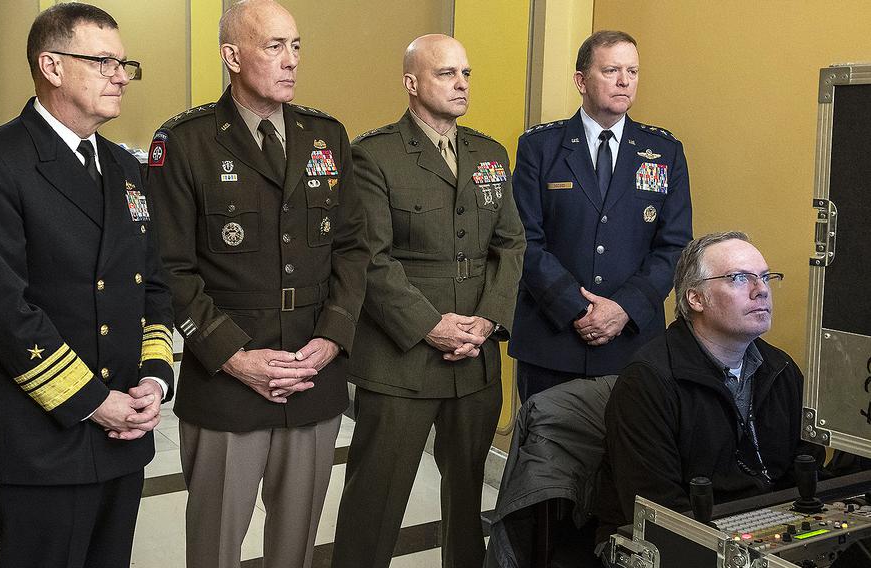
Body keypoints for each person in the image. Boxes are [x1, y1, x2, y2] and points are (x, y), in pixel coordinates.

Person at [143, 1, 368, 567]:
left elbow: (352, 249)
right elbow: (170, 268)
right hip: (226, 383)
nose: (290, 60)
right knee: (216, 547)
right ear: (231, 56)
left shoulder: (326, 135)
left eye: (296, 46)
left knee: (294, 548)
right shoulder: (186, 142)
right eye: (274, 46)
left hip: (312, 375)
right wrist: (235, 357)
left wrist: (332, 338)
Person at [0, 3, 174, 567]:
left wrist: (153, 380)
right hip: (45, 443)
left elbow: (150, 284)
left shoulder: (126, 168)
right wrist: (93, 401)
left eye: (125, 63)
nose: (121, 75)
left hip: (126, 431)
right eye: (103, 61)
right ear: (51, 66)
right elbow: (3, 307)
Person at [331, 34, 526, 568]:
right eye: (446, 73)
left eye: (466, 73)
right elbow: (370, 257)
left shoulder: (488, 153)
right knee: (376, 500)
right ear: (411, 83)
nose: (461, 83)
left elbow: (510, 243)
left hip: (476, 360)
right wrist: (431, 326)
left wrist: (487, 321)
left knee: (467, 503)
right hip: (402, 359)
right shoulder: (374, 155)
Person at [596, 231, 823, 543]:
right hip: (683, 543)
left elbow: (807, 469)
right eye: (740, 278)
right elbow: (655, 510)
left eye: (766, 277)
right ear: (696, 298)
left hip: (773, 535)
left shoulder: (781, 369)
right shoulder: (647, 382)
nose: (761, 291)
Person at [509, 30, 692, 401]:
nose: (625, 80)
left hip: (633, 343)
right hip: (553, 340)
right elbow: (522, 238)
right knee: (547, 453)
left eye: (633, 71)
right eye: (611, 70)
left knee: (628, 455)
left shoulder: (664, 151)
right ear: (581, 81)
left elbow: (674, 246)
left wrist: (624, 308)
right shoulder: (540, 147)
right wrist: (577, 308)